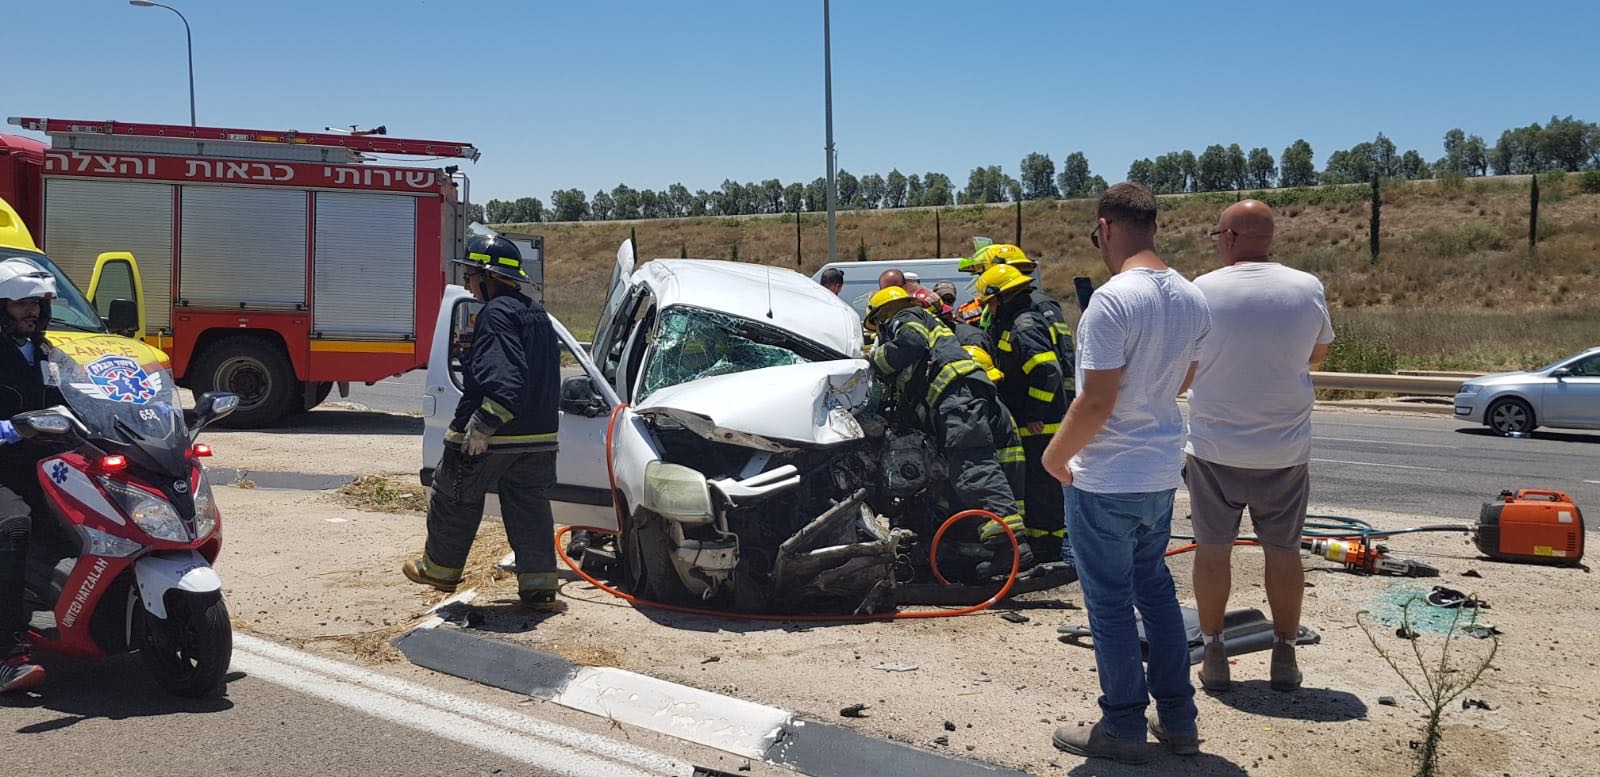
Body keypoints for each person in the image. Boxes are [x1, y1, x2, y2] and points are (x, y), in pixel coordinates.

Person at [1041, 183, 1209, 762]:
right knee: (1156, 592)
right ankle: (1179, 720)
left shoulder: (1112, 303)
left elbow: (1095, 400)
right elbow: (1183, 378)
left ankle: (1122, 728)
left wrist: (1055, 456)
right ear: (1154, 226)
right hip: (1160, 471)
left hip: (1107, 476)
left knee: (1110, 604)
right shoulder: (1192, 298)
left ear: (1106, 227)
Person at [1185, 199, 1333, 693]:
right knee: (1284, 551)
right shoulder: (1306, 287)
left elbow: (1188, 361)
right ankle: (1285, 656)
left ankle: (1214, 652)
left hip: (1213, 448)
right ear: (1268, 238)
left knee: (1211, 551)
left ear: (1226, 237)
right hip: (1284, 451)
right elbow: (1317, 352)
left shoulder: (1202, 290)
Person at [404, 235, 565, 609]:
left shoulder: (495, 314)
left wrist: (482, 425)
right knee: (530, 508)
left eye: (471, 274)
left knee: (452, 495)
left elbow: (505, 381)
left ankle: (439, 571)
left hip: (497, 435)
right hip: (539, 438)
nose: (467, 284)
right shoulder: (535, 313)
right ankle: (539, 587)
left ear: (487, 275)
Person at [864, 286, 1032, 578]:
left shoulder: (906, 316)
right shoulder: (917, 323)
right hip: (957, 398)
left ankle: (1010, 544)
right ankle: (989, 546)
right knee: (959, 470)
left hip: (956, 397)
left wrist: (872, 361)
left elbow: (912, 343)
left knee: (970, 463)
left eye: (878, 325)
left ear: (883, 315)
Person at [975, 263, 1072, 565]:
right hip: (1037, 421)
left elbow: (1046, 371)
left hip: (1041, 424)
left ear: (1002, 297)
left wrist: (1034, 411)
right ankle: (1040, 542)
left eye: (990, 303)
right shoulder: (1017, 319)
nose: (989, 310)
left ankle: (1048, 547)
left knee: (1042, 486)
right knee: (1035, 484)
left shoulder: (1023, 325)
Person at [0, 257, 59, 693]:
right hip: (3, 468)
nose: (31, 311)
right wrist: (9, 428)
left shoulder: (48, 354)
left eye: (36, 303)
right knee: (15, 525)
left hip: (44, 466)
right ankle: (7, 652)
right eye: (21, 303)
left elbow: (77, 406)